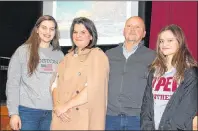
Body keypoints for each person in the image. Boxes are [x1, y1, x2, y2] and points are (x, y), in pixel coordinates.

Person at [6, 15, 64, 130]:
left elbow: (61, 84)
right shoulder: (22, 51)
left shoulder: (59, 55)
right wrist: (13, 113)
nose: (48, 32)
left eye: (51, 29)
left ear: (55, 32)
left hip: (51, 113)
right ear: (37, 29)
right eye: (44, 28)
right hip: (27, 112)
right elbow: (13, 84)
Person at [50, 17, 109, 130]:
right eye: (75, 32)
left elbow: (93, 89)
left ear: (91, 36)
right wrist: (57, 106)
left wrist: (66, 106)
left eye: (83, 32)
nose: (78, 35)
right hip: (61, 116)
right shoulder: (66, 57)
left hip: (82, 119)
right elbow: (55, 84)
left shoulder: (97, 56)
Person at [141, 24, 198, 130]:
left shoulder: (190, 72)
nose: (164, 44)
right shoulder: (154, 71)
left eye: (170, 40)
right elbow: (146, 105)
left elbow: (185, 111)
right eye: (161, 41)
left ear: (179, 42)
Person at [105, 16, 156, 130]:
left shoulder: (153, 57)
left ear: (144, 33)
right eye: (129, 26)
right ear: (123, 31)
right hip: (110, 117)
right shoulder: (108, 55)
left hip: (137, 118)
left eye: (137, 27)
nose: (132, 29)